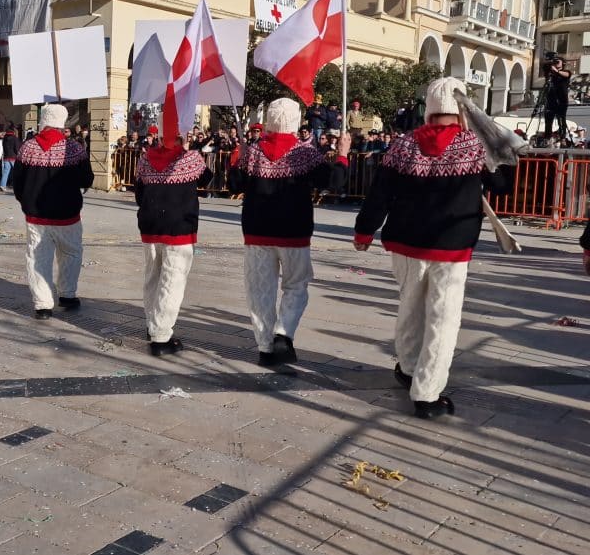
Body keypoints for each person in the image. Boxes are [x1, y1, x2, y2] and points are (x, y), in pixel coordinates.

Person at [353, 77, 509, 420]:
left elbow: (380, 193)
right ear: (462, 107)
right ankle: (426, 393)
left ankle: (408, 368)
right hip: (451, 245)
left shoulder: (402, 145)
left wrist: (364, 231)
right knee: (443, 318)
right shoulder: (476, 145)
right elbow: (501, 186)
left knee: (410, 307)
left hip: (405, 241)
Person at [229, 98, 350, 366]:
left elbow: (234, 185)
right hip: (294, 233)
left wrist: (237, 160)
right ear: (295, 122)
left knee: (260, 290)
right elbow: (334, 181)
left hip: (257, 232)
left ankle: (265, 346)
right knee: (296, 285)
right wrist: (342, 155)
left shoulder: (253, 152)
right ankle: (284, 332)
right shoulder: (304, 154)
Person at [11, 104, 95, 320]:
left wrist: (25, 202)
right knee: (71, 254)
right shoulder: (74, 149)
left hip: (36, 216)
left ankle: (42, 304)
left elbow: (17, 183)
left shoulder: (27, 148)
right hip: (67, 215)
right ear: (63, 122)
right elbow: (87, 179)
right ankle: (67, 295)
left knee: (38, 258)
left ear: (43, 121)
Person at [135, 133, 212, 356]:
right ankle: (161, 336)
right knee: (172, 281)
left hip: (150, 225)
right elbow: (207, 180)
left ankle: (152, 325)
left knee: (153, 277)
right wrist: (189, 151)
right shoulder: (191, 159)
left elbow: (139, 194)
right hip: (179, 226)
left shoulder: (145, 159)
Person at [544, 57, 572, 140]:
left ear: (563, 63)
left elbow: (567, 75)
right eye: (554, 62)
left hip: (561, 101)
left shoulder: (566, 72)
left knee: (561, 119)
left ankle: (562, 137)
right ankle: (547, 137)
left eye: (557, 62)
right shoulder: (550, 74)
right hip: (551, 101)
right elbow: (544, 68)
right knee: (548, 120)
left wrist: (556, 71)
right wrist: (549, 65)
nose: (556, 63)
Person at [0, 126, 21, 191]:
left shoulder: (5, 138)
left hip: (6, 157)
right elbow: (16, 148)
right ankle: (18, 186)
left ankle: (2, 185)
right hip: (13, 157)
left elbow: (3, 147)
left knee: (6, 172)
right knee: (17, 172)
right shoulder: (15, 138)